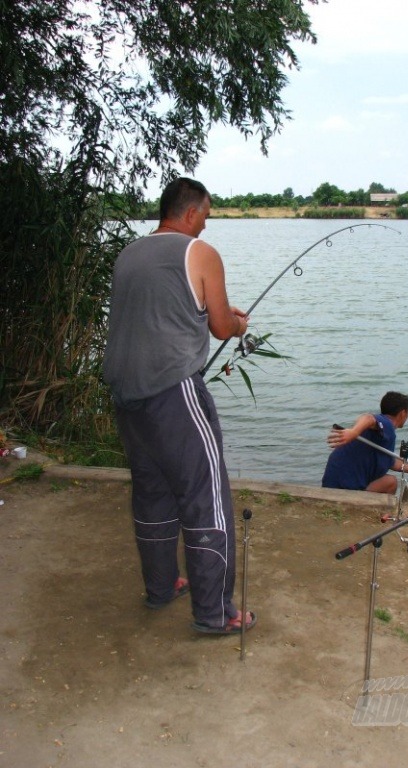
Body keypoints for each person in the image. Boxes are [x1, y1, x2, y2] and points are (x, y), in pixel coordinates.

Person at [103, 177, 256, 635]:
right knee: (207, 500)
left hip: (128, 396)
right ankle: (215, 615)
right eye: (206, 216)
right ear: (190, 212)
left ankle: (162, 586)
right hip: (174, 392)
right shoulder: (199, 253)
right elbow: (222, 326)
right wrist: (240, 325)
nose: (206, 226)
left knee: (152, 493)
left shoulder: (129, 253)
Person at [321, 391, 408, 493]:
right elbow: (368, 417)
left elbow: (392, 463)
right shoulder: (386, 423)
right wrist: (354, 432)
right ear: (403, 413)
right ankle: (380, 515)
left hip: (333, 483)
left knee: (389, 481)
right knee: (391, 482)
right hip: (343, 487)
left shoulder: (383, 432)